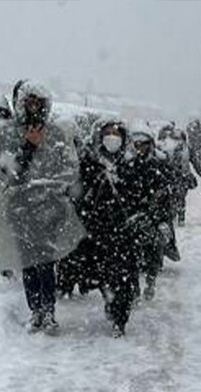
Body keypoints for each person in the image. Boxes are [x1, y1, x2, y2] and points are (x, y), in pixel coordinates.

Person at [0, 80, 84, 331]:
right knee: (28, 261)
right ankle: (35, 311)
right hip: (21, 209)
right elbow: (8, 175)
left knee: (47, 262)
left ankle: (48, 311)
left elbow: (66, 169)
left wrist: (58, 190)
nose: (34, 108)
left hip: (50, 208)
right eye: (29, 102)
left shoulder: (57, 134)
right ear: (20, 104)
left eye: (39, 103)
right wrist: (29, 147)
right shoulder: (7, 134)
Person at [76, 120, 140, 337]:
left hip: (124, 230)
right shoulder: (90, 161)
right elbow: (81, 193)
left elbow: (138, 194)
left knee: (124, 276)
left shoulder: (131, 164)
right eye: (108, 133)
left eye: (116, 134)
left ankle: (120, 317)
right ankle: (110, 301)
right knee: (103, 274)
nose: (112, 138)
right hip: (98, 229)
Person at [123, 123, 174, 301]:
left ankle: (150, 283)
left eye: (143, 144)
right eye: (136, 144)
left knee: (154, 253)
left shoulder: (158, 165)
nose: (140, 148)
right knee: (131, 257)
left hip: (153, 216)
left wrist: (160, 218)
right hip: (133, 217)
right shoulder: (127, 165)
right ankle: (135, 288)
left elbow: (165, 194)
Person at [158, 123, 194, 231]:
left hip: (183, 177)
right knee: (172, 196)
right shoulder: (166, 148)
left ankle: (181, 216)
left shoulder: (186, 149)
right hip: (172, 177)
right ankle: (174, 214)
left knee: (181, 197)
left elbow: (194, 162)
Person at [185, 118, 201, 185]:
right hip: (193, 146)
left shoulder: (199, 130)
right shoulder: (191, 130)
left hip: (196, 147)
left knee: (197, 161)